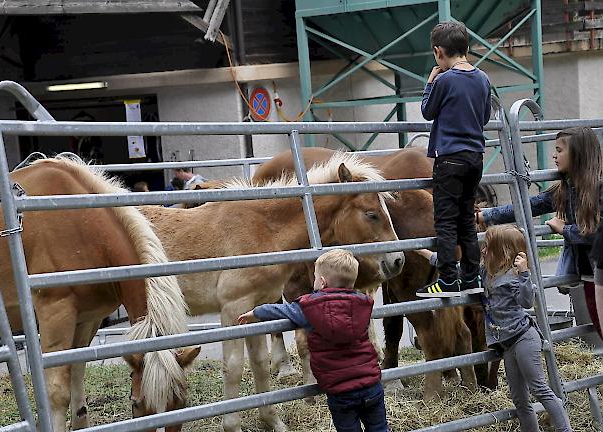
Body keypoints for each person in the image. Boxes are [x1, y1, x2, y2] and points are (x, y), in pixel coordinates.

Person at [416, 225, 572, 432]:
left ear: (503, 251)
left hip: (524, 339)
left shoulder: (515, 276)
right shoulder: (485, 271)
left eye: (487, 247)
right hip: (506, 345)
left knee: (540, 389)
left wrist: (525, 274)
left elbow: (526, 302)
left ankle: (565, 429)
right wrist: (419, 249)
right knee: (519, 399)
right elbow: (453, 268)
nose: (482, 250)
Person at [238, 249, 388, 432]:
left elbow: (281, 311)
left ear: (322, 282)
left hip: (340, 391)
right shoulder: (362, 304)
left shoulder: (310, 308)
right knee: (379, 428)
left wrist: (256, 312)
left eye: (316, 276)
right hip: (371, 385)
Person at [477, 126, 603, 338]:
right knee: (600, 328)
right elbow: (530, 204)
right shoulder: (566, 189)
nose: (554, 155)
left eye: (560, 150)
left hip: (598, 267)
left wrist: (565, 229)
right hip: (591, 274)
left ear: (579, 154)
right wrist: (487, 215)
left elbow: (598, 233)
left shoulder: (599, 188)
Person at [416, 21, 492, 298]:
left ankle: (448, 280)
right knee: (466, 220)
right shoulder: (482, 78)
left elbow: (427, 111)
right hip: (475, 158)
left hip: (449, 159)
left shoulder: (444, 80)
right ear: (466, 48)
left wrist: (430, 82)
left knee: (446, 222)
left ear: (438, 52)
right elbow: (484, 117)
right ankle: (471, 278)